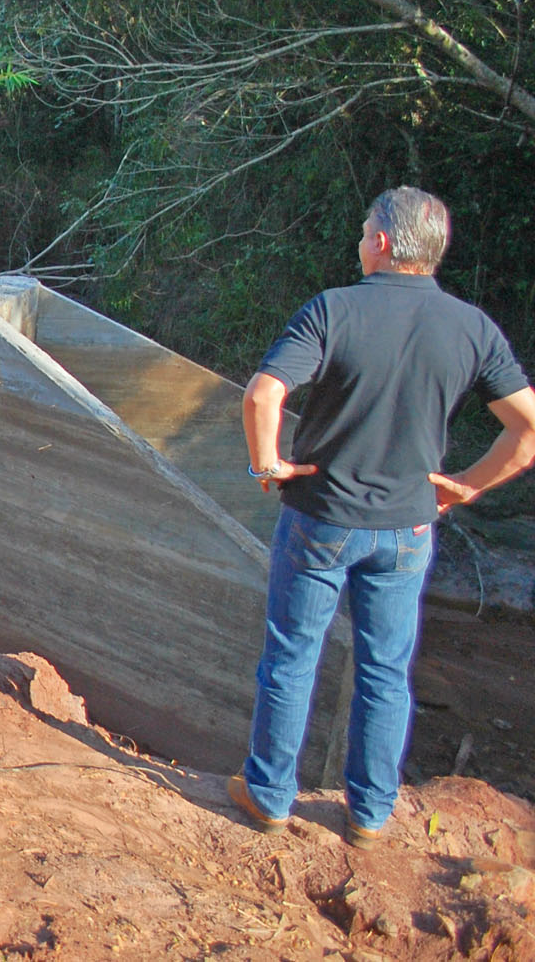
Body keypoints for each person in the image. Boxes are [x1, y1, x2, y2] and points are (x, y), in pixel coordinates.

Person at [229, 186, 535, 848]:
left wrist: (267, 463)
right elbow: (528, 428)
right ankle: (369, 814)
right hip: (408, 528)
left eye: (365, 229)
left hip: (320, 518)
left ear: (384, 243)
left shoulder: (333, 310)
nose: (360, 239)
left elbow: (264, 393)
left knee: (291, 657)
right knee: (384, 670)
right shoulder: (472, 328)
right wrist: (470, 486)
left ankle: (269, 794)